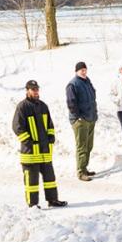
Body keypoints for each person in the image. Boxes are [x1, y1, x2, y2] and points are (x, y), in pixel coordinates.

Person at [13, 80, 63, 208]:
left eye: (37, 89)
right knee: (32, 181)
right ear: (27, 90)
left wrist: (51, 136)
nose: (36, 91)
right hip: (30, 153)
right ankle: (33, 204)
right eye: (33, 89)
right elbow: (17, 127)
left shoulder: (43, 106)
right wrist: (28, 141)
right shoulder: (22, 107)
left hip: (44, 151)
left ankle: (53, 200)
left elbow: (50, 125)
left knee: (50, 179)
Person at [65, 61, 98, 181]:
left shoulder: (87, 81)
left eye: (85, 69)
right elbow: (71, 103)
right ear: (76, 71)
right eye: (81, 70)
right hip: (80, 120)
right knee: (81, 146)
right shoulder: (73, 84)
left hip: (90, 118)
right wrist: (78, 117)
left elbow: (92, 98)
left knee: (89, 146)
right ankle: (80, 172)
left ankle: (84, 168)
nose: (84, 71)